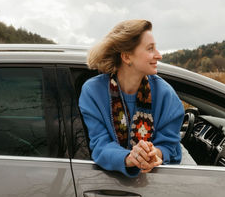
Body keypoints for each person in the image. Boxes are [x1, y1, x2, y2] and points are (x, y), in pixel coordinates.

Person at [79, 19, 185, 177]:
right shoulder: (92, 92)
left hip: (156, 181)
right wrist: (130, 158)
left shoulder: (166, 94)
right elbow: (100, 145)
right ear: (127, 57)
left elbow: (170, 146)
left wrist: (152, 154)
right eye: (150, 49)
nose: (159, 55)